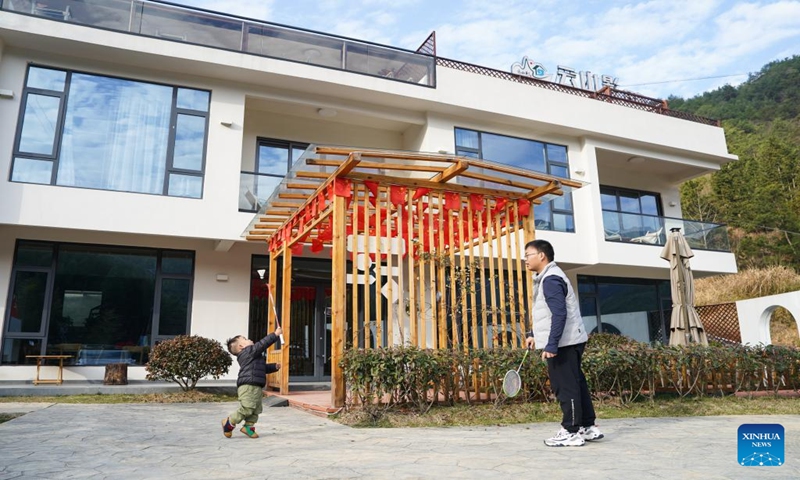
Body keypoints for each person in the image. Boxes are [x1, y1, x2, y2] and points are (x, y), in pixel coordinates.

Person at [523, 239, 603, 447]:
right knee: (576, 383)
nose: (525, 260)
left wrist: (551, 345)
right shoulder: (550, 277)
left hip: (564, 343)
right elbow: (548, 313)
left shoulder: (550, 279)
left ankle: (571, 430)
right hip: (571, 340)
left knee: (565, 387)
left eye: (528, 255)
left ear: (542, 255)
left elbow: (559, 314)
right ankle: (587, 426)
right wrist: (534, 333)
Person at [222, 327, 282, 438]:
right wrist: (275, 334)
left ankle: (248, 427)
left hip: (256, 386)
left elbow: (262, 368)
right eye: (245, 339)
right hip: (248, 386)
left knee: (256, 409)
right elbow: (262, 344)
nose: (249, 339)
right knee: (247, 407)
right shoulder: (248, 352)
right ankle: (229, 422)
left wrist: (274, 366)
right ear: (241, 347)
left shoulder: (252, 355)